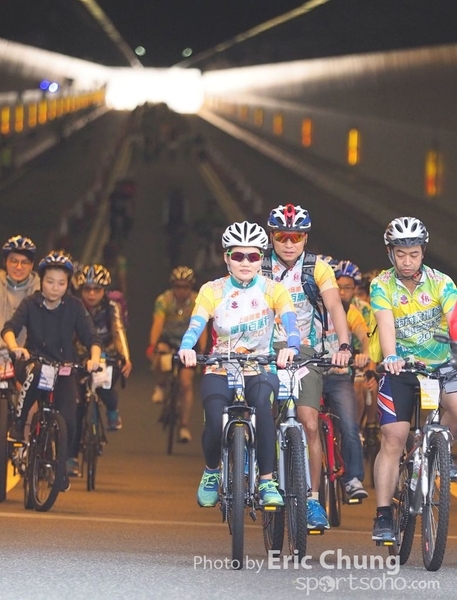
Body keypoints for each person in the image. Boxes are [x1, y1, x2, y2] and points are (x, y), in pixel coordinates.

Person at [178, 221, 300, 508]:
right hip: (220, 367)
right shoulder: (212, 289)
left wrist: (292, 347)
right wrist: (186, 347)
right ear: (226, 258)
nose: (246, 262)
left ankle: (267, 480)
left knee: (262, 409)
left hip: (260, 367)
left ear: (261, 259)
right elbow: (196, 324)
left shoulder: (274, 289)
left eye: (253, 256)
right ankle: (211, 472)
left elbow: (291, 324)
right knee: (213, 417)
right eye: (238, 256)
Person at [263, 204, 352, 529]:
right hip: (264, 349)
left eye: (296, 237)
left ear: (305, 238)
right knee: (259, 412)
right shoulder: (258, 264)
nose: (289, 244)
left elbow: (334, 305)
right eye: (282, 236)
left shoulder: (318, 268)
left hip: (303, 351)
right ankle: (260, 475)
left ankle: (313, 499)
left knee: (309, 422)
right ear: (272, 237)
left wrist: (344, 345)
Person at [370, 217, 457, 542]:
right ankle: (383, 515)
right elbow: (385, 324)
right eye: (401, 254)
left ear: (423, 253)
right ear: (390, 253)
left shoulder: (441, 283)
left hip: (441, 366)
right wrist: (391, 356)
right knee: (393, 437)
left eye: (414, 254)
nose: (407, 261)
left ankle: (440, 450)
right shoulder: (381, 285)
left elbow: (454, 319)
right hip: (402, 368)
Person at [1, 251, 101, 492]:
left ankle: (60, 468)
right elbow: (10, 328)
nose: (55, 288)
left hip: (63, 368)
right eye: (50, 282)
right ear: (41, 281)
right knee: (36, 372)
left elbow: (91, 337)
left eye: (61, 283)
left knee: (69, 420)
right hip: (32, 361)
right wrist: (15, 348)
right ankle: (19, 423)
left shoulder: (74, 306)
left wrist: (94, 359)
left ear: (67, 285)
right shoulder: (30, 303)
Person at [67, 264, 133, 476]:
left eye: (97, 289)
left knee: (105, 386)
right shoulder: (74, 306)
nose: (92, 294)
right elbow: (68, 334)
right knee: (76, 408)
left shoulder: (111, 307)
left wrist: (125, 357)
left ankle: (113, 411)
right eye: (87, 289)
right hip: (80, 354)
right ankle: (71, 458)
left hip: (107, 353)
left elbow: (118, 330)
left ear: (105, 291)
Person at [319, 257, 370, 500]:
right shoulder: (300, 306)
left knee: (349, 425)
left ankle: (353, 478)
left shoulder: (348, 310)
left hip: (338, 377)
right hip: (308, 374)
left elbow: (364, 336)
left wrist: (365, 354)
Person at [146, 266, 206, 443]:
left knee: (186, 383)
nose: (181, 291)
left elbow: (202, 327)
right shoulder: (163, 300)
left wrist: (202, 350)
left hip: (189, 343)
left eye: (185, 287)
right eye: (178, 287)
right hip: (169, 340)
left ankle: (184, 426)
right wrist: (152, 345)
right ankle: (160, 385)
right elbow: (158, 323)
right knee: (160, 354)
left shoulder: (198, 301)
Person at [335, 260, 379, 445]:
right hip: (330, 356)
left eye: (347, 288)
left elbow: (369, 340)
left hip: (357, 355)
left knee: (365, 383)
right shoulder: (325, 304)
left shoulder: (363, 310)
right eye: (339, 287)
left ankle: (364, 428)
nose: (342, 292)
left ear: (355, 289)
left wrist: (370, 366)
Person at [0, 236, 40, 346]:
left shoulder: (41, 290)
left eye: (25, 262)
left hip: (26, 352)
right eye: (14, 261)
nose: (18, 267)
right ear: (5, 262)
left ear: (32, 265)